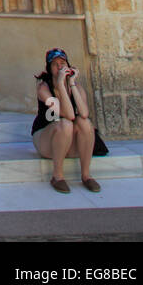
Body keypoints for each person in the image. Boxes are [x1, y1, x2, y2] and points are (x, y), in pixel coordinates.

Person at [31, 47, 101, 193]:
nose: (60, 67)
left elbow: (84, 113)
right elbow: (67, 115)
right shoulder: (44, 89)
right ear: (49, 69)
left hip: (67, 142)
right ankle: (57, 176)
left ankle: (86, 175)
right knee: (65, 124)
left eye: (62, 63)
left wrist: (72, 84)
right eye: (55, 64)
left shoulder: (77, 87)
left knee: (85, 123)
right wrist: (61, 86)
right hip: (46, 139)